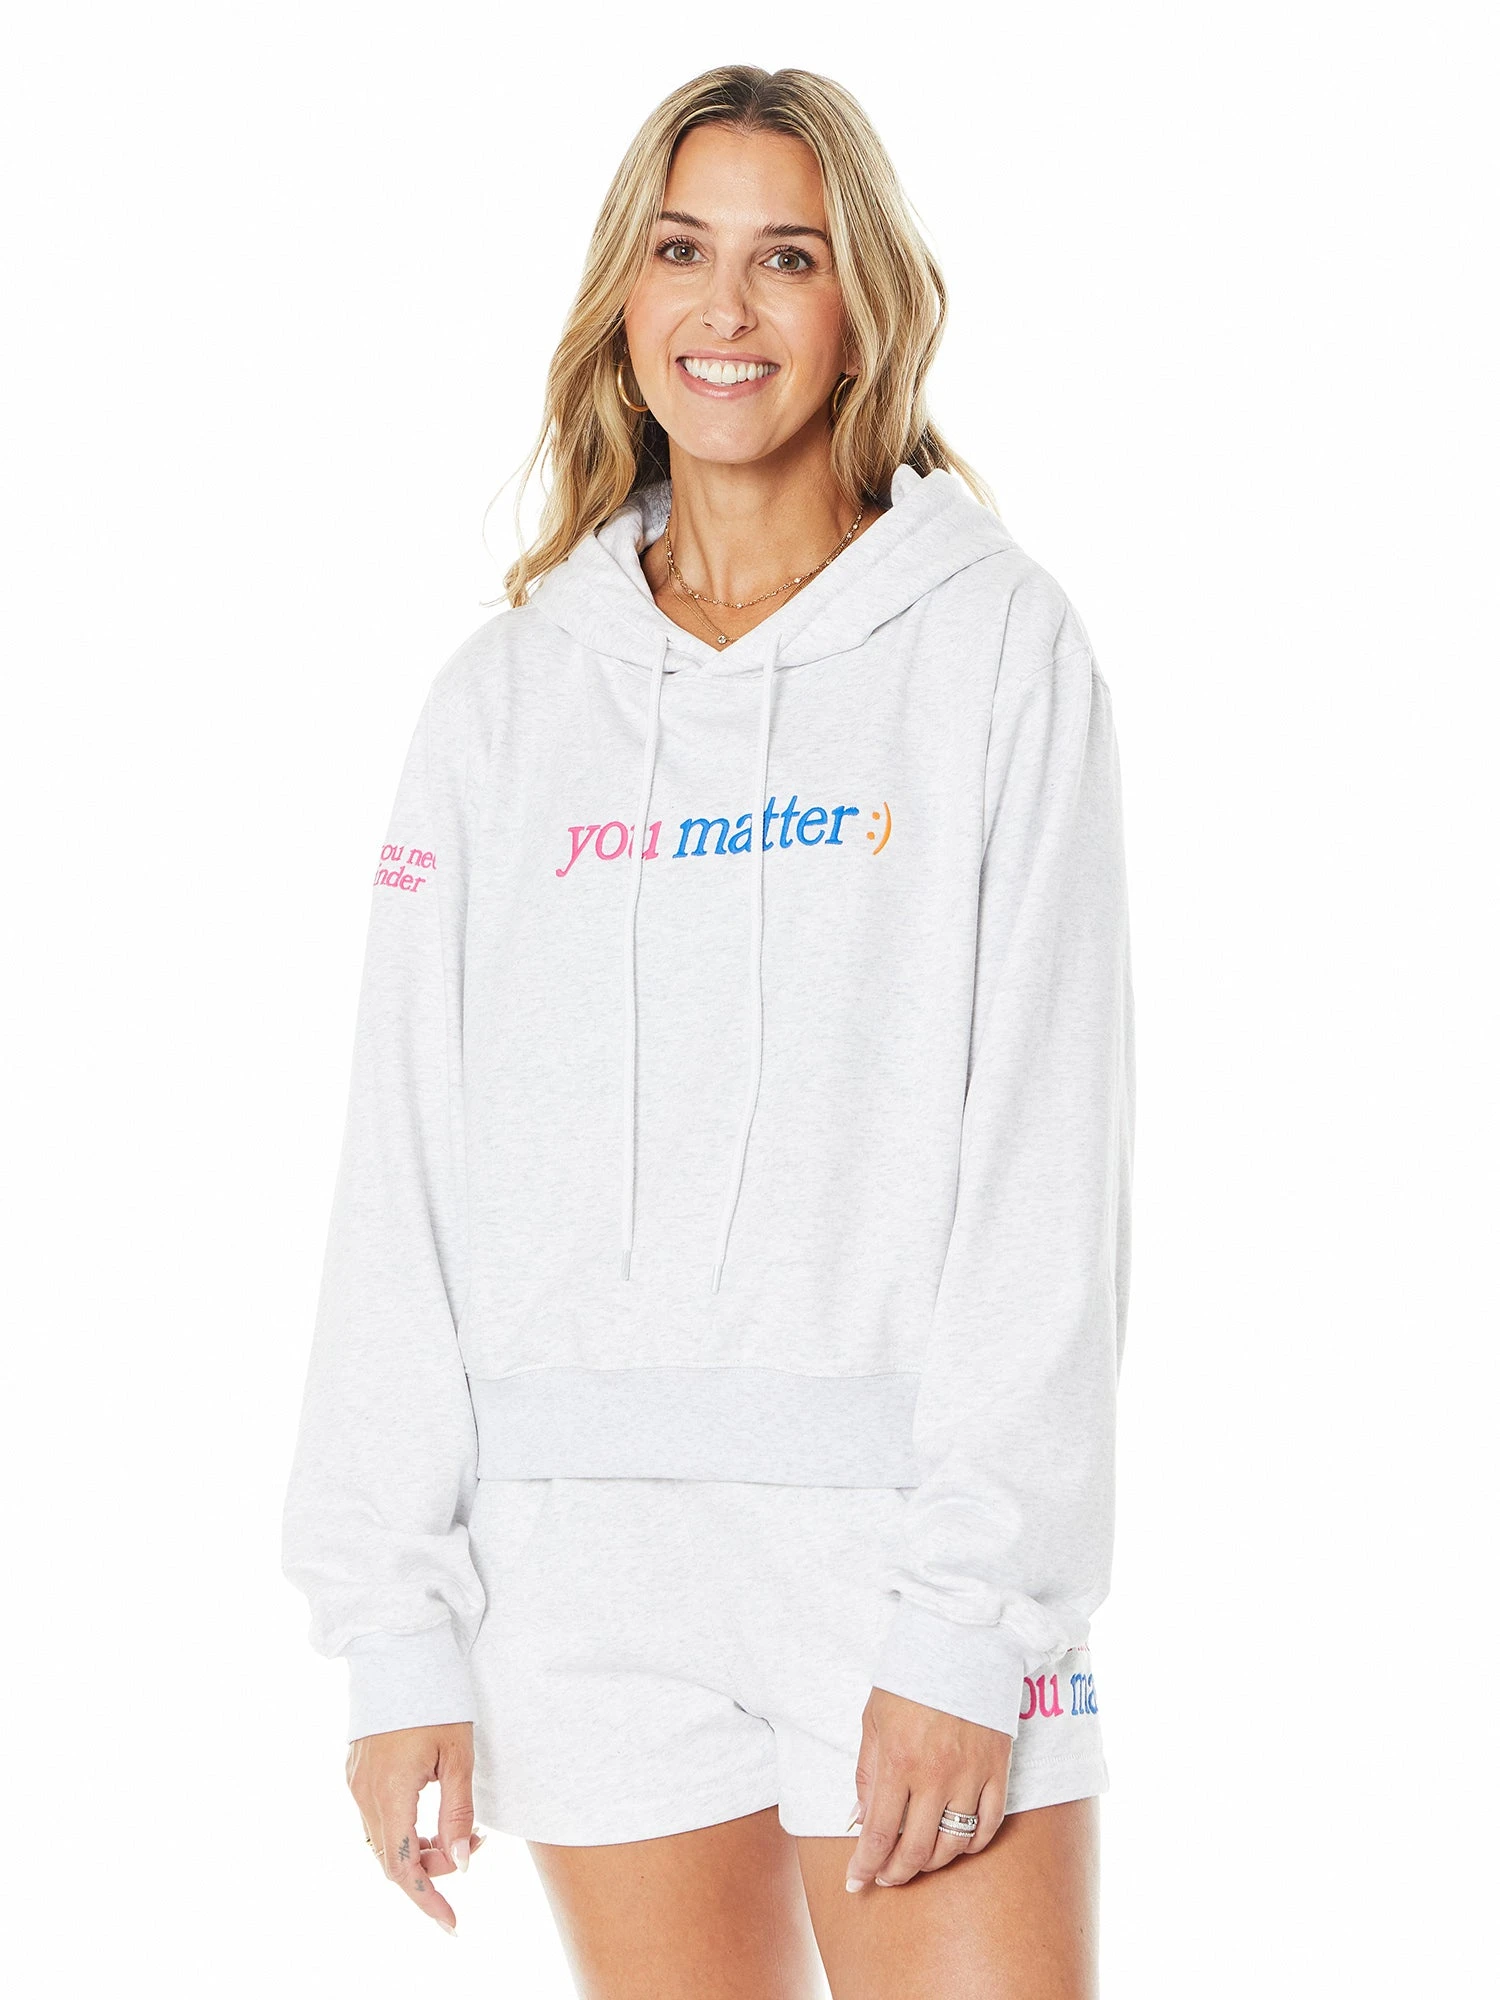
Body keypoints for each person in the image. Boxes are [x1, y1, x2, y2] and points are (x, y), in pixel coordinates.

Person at [281, 61, 1134, 2000]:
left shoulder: (997, 650)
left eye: (787, 257)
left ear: (863, 306)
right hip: (578, 1580)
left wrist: (970, 1616)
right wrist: (394, 1630)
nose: (725, 308)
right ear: (625, 291)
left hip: (899, 1554)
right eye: (682, 250)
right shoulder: (502, 705)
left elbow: (1045, 1157)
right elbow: (401, 1172)